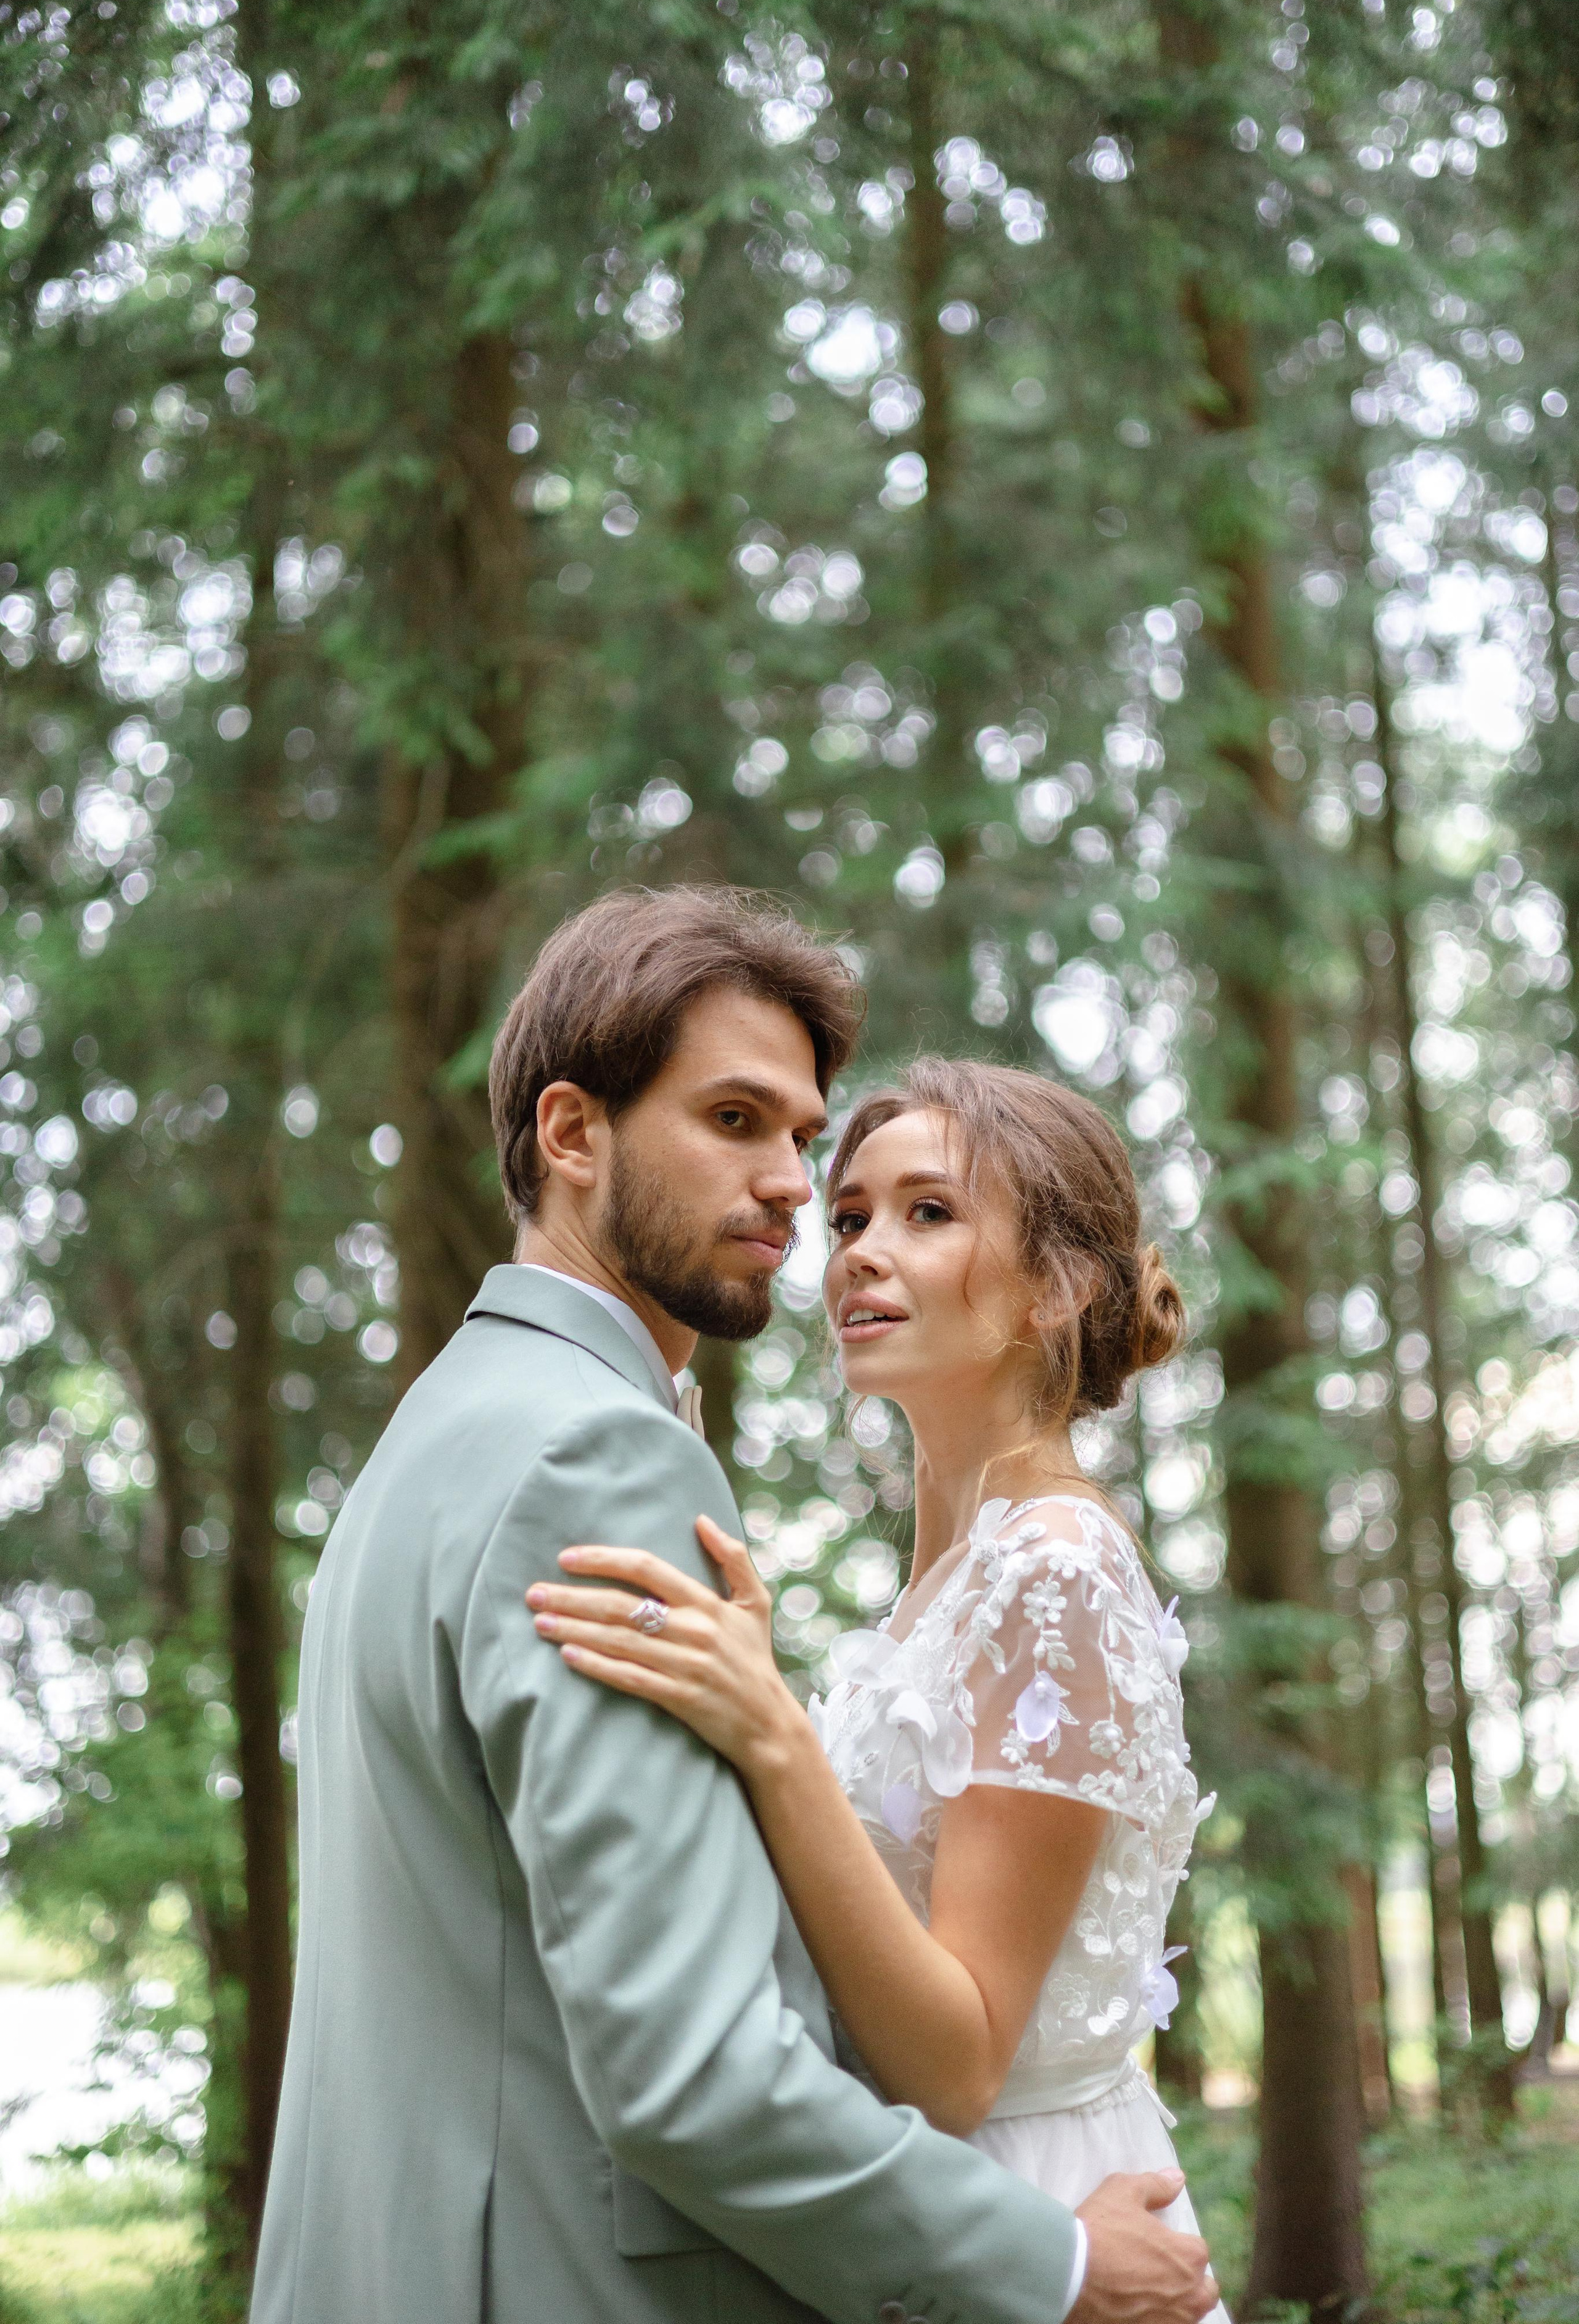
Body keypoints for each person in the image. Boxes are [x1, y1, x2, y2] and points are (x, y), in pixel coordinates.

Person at [253, 887, 1216, 2324]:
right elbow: (691, 2067)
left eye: (799, 1140)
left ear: (1048, 1293)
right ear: (571, 1135)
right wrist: (1051, 2267)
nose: (791, 1193)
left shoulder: (437, 1434)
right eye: (733, 1122)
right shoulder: (597, 1453)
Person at [527, 1053, 1229, 2317]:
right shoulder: (954, 1577)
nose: (854, 1249)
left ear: (1054, 1287)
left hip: (1038, 2205)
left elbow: (954, 2063)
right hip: (930, 2215)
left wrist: (774, 1739)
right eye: (847, 1215)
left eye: (927, 1213)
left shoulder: (1054, 1576)